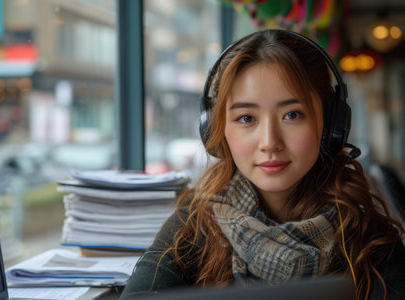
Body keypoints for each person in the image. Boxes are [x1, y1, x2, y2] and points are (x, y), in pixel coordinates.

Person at [119, 29, 405, 300]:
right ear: (217, 131)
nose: (270, 142)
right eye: (246, 118)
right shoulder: (196, 220)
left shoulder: (370, 238)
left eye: (292, 115)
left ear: (331, 126)